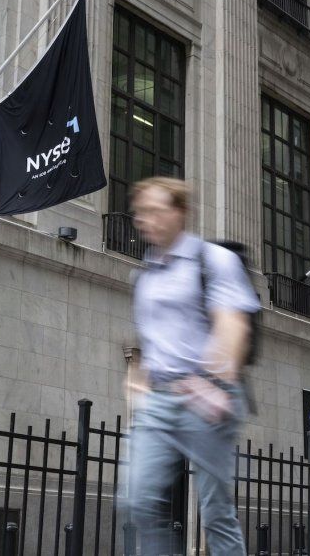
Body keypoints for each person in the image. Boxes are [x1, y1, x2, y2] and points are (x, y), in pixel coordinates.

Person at [126, 177, 259, 555]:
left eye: (154, 210)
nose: (143, 219)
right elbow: (150, 343)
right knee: (136, 499)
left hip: (206, 394)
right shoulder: (145, 275)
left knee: (216, 511)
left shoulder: (214, 260)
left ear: (179, 212)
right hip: (161, 399)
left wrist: (216, 382)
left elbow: (232, 325)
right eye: (140, 212)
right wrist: (137, 382)